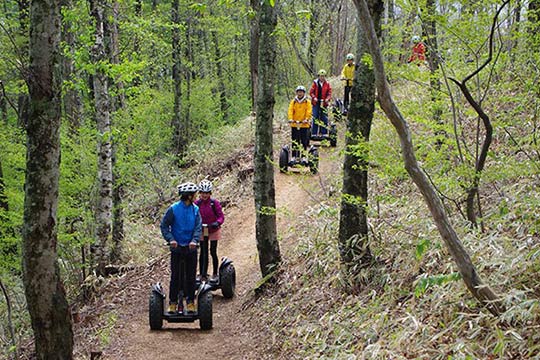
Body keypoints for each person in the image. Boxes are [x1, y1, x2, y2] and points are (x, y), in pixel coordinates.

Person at [160, 182, 202, 314]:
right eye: (194, 194)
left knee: (190, 276)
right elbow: (164, 225)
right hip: (177, 248)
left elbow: (198, 227)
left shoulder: (195, 210)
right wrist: (171, 239)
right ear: (189, 196)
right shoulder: (173, 209)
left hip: (191, 248)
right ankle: (172, 302)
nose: (196, 196)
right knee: (175, 276)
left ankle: (190, 302)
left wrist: (194, 240)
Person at [195, 179, 225, 282]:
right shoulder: (197, 204)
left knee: (212, 251)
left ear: (210, 193)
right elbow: (192, 216)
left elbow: (221, 216)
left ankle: (215, 273)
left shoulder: (214, 203)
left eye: (207, 193)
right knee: (203, 251)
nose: (205, 195)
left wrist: (217, 222)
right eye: (203, 193)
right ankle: (202, 274)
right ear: (200, 193)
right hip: (203, 230)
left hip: (213, 229)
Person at [287, 85, 312, 162]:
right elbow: (290, 110)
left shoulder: (307, 102)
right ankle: (294, 156)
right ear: (296, 93)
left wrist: (306, 119)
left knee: (304, 141)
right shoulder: (293, 102)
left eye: (301, 92)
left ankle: (304, 156)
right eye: (298, 92)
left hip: (304, 125)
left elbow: (309, 111)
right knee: (295, 140)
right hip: (295, 124)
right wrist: (290, 119)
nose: (300, 93)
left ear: (304, 93)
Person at [309, 69, 332, 136]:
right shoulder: (315, 83)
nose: (322, 77)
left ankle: (324, 132)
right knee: (315, 117)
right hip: (316, 102)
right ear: (318, 76)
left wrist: (327, 99)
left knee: (324, 117)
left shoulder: (327, 84)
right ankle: (314, 133)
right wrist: (314, 97)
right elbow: (311, 92)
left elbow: (329, 93)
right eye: (321, 76)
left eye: (323, 76)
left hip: (324, 103)